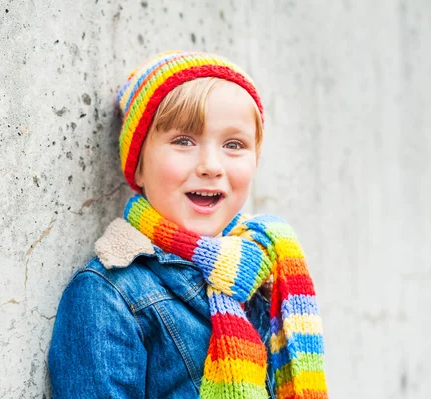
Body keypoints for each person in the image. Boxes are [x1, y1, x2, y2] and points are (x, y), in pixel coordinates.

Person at [48, 51, 328, 399]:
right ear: (137, 167)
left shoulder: (264, 274)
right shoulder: (110, 294)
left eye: (234, 144)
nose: (211, 165)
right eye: (184, 141)